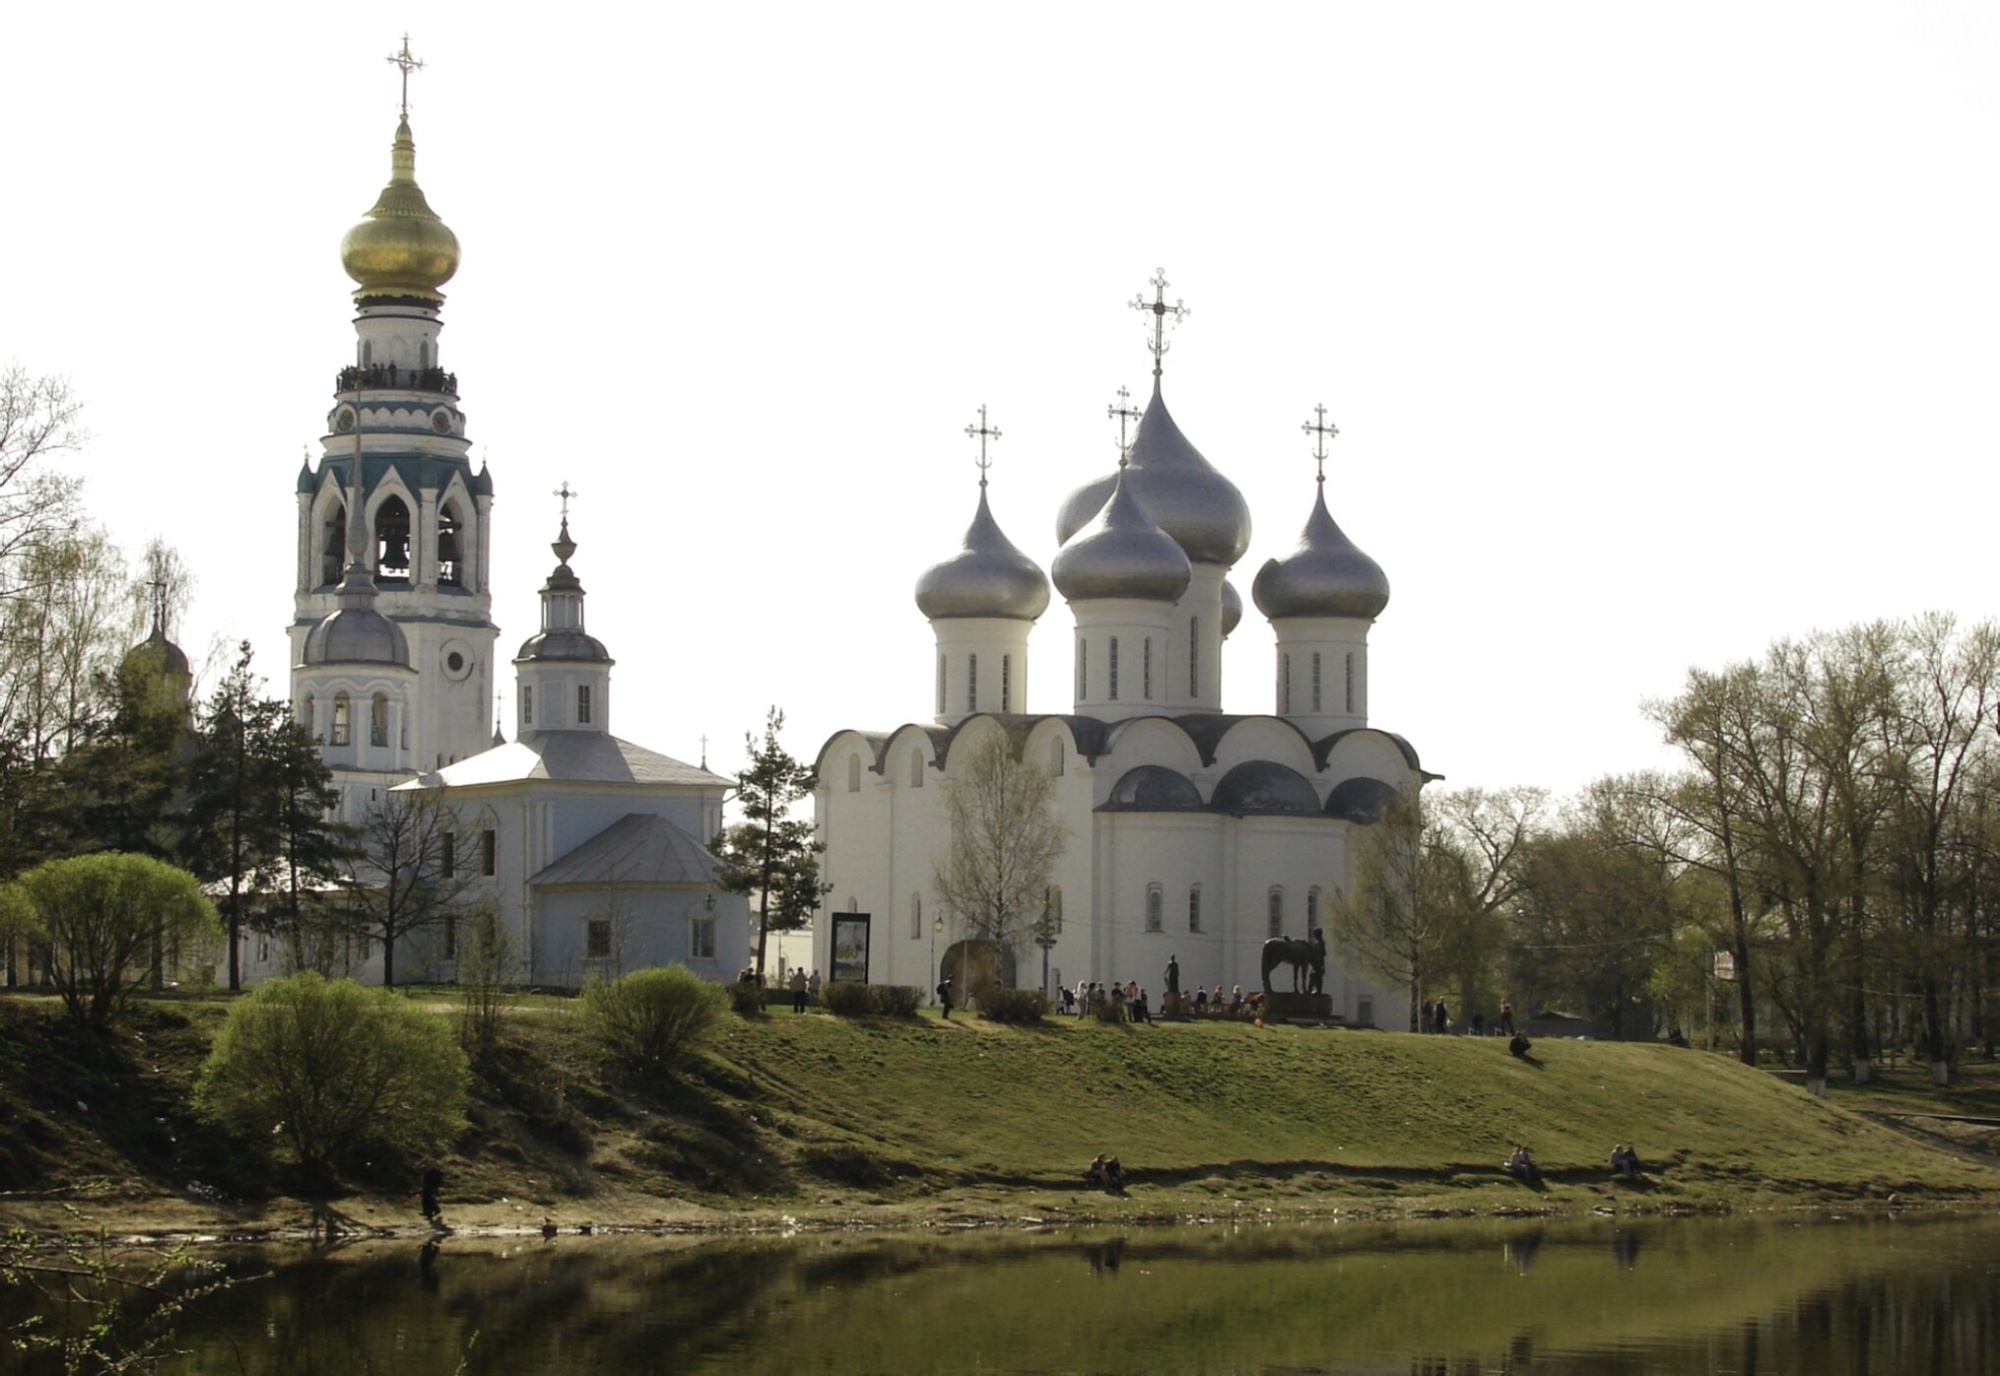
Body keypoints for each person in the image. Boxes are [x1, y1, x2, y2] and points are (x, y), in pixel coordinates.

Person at [420, 1164, 445, 1229]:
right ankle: (430, 1211)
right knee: (427, 1198)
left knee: (427, 1199)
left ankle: (430, 1212)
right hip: (431, 1186)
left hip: (430, 1186)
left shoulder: (431, 1173)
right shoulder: (432, 1172)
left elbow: (426, 1180)